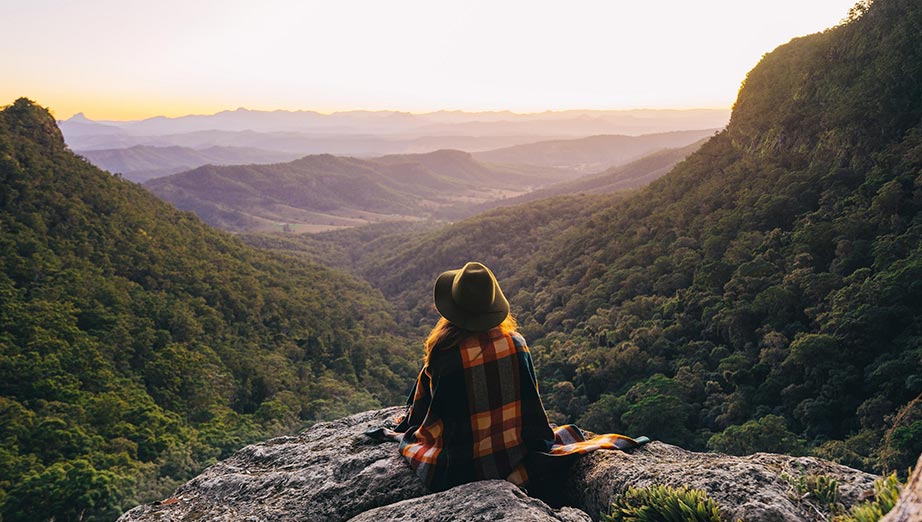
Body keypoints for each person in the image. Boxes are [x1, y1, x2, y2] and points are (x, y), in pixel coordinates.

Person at [373, 261, 646, 500]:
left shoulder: (444, 354)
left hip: (456, 467)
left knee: (412, 437)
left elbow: (422, 416)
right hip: (513, 456)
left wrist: (405, 428)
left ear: (454, 309)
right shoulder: (517, 344)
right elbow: (531, 413)